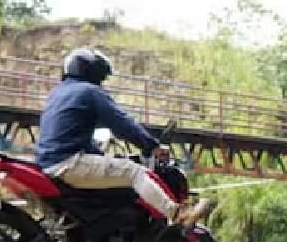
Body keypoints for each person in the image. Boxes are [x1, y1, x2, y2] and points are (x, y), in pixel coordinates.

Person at [35, 47, 205, 225]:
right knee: (135, 172)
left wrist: (102, 156)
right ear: (92, 74)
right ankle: (176, 214)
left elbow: (75, 138)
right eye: (101, 78)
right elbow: (121, 123)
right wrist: (152, 146)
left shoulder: (57, 93)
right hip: (68, 164)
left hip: (49, 163)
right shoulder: (90, 92)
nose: (101, 83)